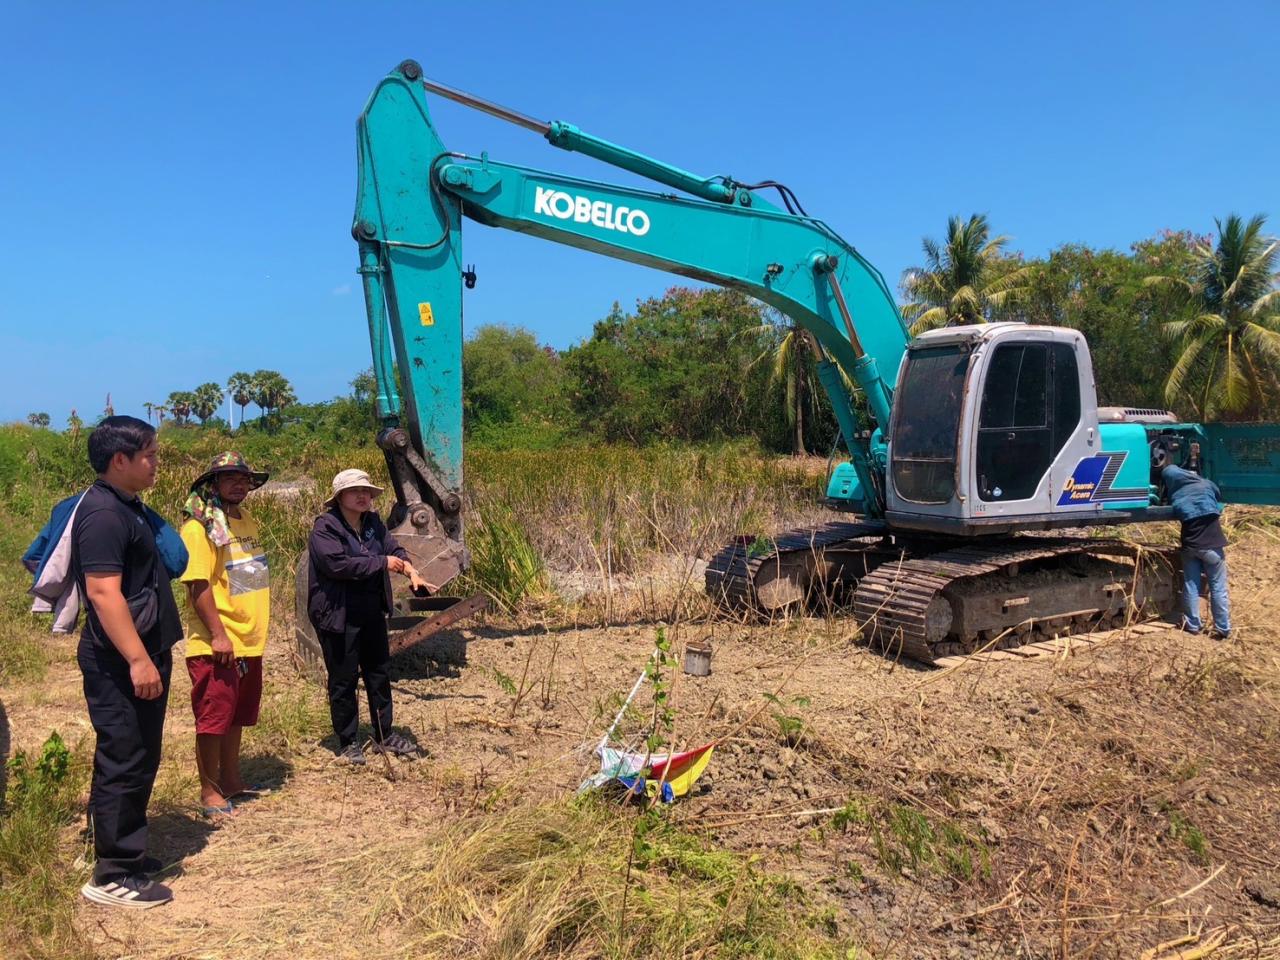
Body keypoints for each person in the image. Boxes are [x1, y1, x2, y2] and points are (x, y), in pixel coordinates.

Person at [73, 416, 183, 909]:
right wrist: (138, 659)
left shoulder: (127, 506)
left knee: (140, 754)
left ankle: (126, 852)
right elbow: (102, 592)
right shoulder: (103, 514)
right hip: (119, 661)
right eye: (150, 455)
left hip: (144, 653)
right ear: (120, 460)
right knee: (124, 756)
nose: (156, 463)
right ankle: (113, 874)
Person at [306, 469, 428, 764]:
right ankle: (348, 741)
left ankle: (384, 735)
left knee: (378, 674)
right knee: (343, 679)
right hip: (338, 614)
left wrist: (410, 569)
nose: (362, 496)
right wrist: (382, 562)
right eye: (355, 491)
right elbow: (338, 565)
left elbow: (393, 548)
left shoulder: (373, 523)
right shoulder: (325, 528)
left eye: (366, 491)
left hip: (371, 611)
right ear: (339, 497)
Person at [179, 453, 271, 817]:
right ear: (213, 484)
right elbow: (197, 584)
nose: (239, 484)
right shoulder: (199, 528)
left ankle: (232, 780)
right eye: (229, 478)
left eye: (243, 478)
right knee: (213, 719)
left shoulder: (246, 520)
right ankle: (209, 790)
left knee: (236, 717)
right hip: (217, 642)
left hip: (248, 641)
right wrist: (218, 635)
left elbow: (247, 578)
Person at [1162, 463, 1231, 638]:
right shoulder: (1205, 484)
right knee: (1218, 588)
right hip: (1212, 547)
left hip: (1190, 547)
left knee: (1191, 586)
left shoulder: (1176, 495)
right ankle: (1222, 628)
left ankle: (1193, 625)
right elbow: (1218, 496)